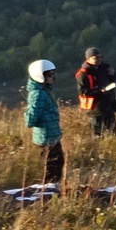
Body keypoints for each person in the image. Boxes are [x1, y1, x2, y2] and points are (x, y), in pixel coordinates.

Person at [23, 59, 65, 188]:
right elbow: (31, 119)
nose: (52, 77)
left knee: (58, 163)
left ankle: (52, 188)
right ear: (40, 76)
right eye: (49, 74)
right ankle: (48, 191)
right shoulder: (38, 94)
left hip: (51, 135)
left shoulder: (43, 91)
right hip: (46, 137)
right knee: (52, 166)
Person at [77, 47, 116, 134]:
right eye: (96, 57)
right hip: (95, 109)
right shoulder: (83, 73)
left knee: (113, 131)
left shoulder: (104, 69)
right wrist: (99, 91)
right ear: (88, 59)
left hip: (109, 105)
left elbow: (111, 82)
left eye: (100, 57)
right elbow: (82, 92)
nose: (99, 59)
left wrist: (113, 74)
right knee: (98, 133)